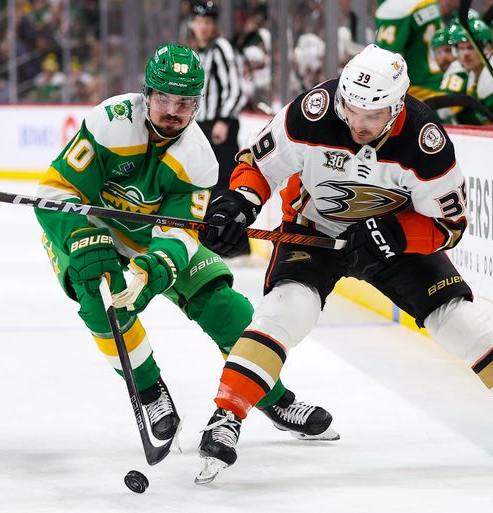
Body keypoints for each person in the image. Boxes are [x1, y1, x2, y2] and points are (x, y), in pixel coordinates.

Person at [196, 44, 493, 483]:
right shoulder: (312, 112)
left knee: (457, 321)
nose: (358, 123)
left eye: (372, 115)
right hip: (315, 230)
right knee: (286, 310)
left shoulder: (424, 141)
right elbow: (257, 166)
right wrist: (239, 203)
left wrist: (394, 234)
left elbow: (450, 225)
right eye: (352, 109)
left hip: (392, 240)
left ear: (396, 107)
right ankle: (225, 417)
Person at [34, 43, 337, 447]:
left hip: (150, 241)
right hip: (91, 230)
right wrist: (82, 237)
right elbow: (56, 191)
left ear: (198, 105)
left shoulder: (198, 159)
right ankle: (149, 391)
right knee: (97, 294)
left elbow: (179, 234)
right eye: (164, 99)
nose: (173, 111)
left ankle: (275, 399)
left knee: (222, 303)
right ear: (147, 94)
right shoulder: (110, 122)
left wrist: (151, 269)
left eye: (185, 102)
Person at [190, 1, 249, 256]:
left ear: (214, 25)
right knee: (205, 181)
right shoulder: (198, 52)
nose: (202, 27)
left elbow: (237, 88)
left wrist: (224, 119)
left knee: (226, 184)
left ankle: (238, 245)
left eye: (207, 22)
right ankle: (215, 240)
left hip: (220, 124)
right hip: (203, 124)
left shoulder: (222, 48)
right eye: (199, 22)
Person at [375, 0, 445, 100]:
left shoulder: (396, 8)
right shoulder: (425, 2)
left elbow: (387, 60)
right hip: (438, 81)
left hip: (416, 90)